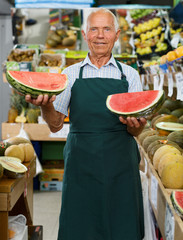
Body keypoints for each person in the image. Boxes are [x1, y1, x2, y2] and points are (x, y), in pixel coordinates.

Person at [26, 8, 147, 240]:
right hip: (82, 162)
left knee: (121, 224)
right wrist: (45, 105)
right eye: (94, 29)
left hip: (121, 163)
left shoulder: (130, 75)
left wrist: (136, 124)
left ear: (117, 34)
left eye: (107, 29)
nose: (100, 35)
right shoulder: (69, 74)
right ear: (85, 35)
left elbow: (137, 129)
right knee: (80, 226)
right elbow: (55, 125)